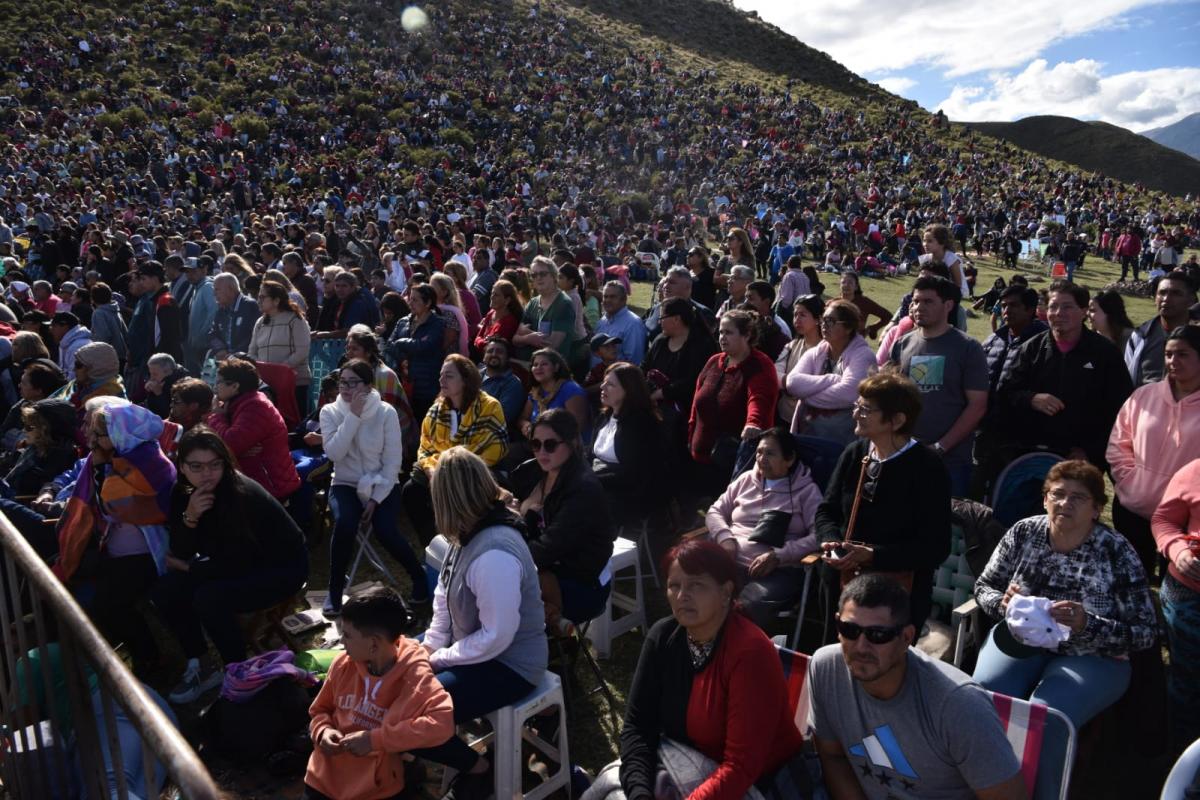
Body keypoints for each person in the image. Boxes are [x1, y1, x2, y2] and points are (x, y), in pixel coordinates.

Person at [972, 460, 1155, 799]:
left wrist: (1088, 624)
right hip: (1021, 641)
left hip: (1093, 654)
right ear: (1044, 500)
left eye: (1078, 498)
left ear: (1097, 509)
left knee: (1048, 715)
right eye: (1057, 494)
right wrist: (1004, 604)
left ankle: (1043, 793)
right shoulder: (1024, 532)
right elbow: (984, 587)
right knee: (984, 694)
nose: (1065, 503)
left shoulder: (1115, 551)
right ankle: (982, 786)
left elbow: (1144, 631)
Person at [586, 540, 805, 800]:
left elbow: (740, 768)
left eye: (696, 585)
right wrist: (640, 794)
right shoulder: (663, 637)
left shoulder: (749, 653)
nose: (681, 596)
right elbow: (638, 727)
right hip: (686, 760)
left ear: (726, 592)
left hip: (757, 783)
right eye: (674, 585)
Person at [810, 575, 1025, 800]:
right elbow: (832, 755)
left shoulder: (959, 705)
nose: (861, 647)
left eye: (878, 635)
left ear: (906, 637)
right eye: (850, 630)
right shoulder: (826, 668)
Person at [413, 447, 548, 799]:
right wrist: (428, 645)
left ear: (447, 499)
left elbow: (497, 637)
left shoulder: (494, 552)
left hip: (510, 664)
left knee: (414, 708)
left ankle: (477, 766)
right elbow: (443, 597)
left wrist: (438, 659)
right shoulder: (467, 532)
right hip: (476, 648)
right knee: (389, 675)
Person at [156, 427, 308, 702]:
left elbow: (239, 561)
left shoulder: (240, 494)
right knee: (167, 588)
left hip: (281, 567)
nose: (207, 473)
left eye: (215, 465)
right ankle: (200, 663)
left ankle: (239, 672)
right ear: (182, 466)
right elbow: (181, 549)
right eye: (197, 466)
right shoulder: (184, 492)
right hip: (235, 562)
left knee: (210, 597)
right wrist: (190, 517)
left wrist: (192, 569)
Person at [814, 373, 952, 635]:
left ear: (897, 420)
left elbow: (935, 547)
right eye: (857, 405)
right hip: (841, 588)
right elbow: (827, 511)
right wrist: (830, 541)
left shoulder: (927, 468)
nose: (856, 414)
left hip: (894, 598)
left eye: (866, 409)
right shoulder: (855, 453)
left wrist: (874, 555)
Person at [53, 400, 176, 670]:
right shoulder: (112, 457)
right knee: (63, 574)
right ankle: (82, 659)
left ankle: (150, 660)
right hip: (112, 548)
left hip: (144, 557)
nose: (91, 438)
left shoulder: (149, 464)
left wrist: (99, 469)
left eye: (98, 434)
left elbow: (114, 509)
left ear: (122, 434)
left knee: (108, 605)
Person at [304, 586, 454, 800]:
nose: (342, 642)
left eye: (347, 635)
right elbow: (320, 710)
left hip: (376, 787)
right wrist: (323, 731)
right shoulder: (342, 663)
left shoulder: (414, 676)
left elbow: (442, 724)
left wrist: (376, 740)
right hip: (323, 778)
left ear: (374, 643)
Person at [320, 359, 427, 616]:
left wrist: (375, 499)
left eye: (353, 382)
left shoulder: (386, 412)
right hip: (345, 482)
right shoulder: (330, 412)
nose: (345, 388)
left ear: (368, 386)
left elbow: (392, 463)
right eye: (342, 382)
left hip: (382, 482)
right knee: (345, 522)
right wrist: (353, 417)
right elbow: (334, 453)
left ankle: (419, 579)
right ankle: (335, 592)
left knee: (385, 529)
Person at [999, 280, 1132, 470]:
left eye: (1067, 307)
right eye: (1053, 306)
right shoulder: (1032, 349)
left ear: (1084, 310)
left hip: (1081, 459)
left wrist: (1091, 450)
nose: (1059, 313)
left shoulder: (1105, 353)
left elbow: (1121, 409)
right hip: (1030, 454)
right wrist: (1031, 398)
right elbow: (1005, 393)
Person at [704, 427, 823, 629]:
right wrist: (725, 538)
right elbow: (715, 511)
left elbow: (819, 534)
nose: (761, 458)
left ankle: (731, 646)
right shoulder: (745, 480)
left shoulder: (807, 491)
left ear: (790, 459)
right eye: (759, 452)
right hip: (730, 560)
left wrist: (779, 555)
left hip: (777, 570)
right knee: (701, 590)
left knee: (748, 605)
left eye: (770, 453)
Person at [512, 408, 615, 632]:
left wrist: (508, 559)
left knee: (502, 592)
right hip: (544, 570)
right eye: (535, 444)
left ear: (571, 443)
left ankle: (538, 657)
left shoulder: (582, 489)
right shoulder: (535, 472)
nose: (541, 452)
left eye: (550, 444)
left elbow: (550, 547)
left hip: (581, 584)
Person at [1107, 326, 1200, 572]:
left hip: (1185, 517)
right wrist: (1130, 481)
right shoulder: (1144, 395)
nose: (1173, 361)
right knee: (1133, 578)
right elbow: (1119, 443)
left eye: (1182, 354)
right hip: (1133, 508)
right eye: (1168, 354)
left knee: (1178, 583)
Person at [888, 276, 988, 498]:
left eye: (928, 301)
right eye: (915, 301)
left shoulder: (968, 348)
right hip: (903, 454)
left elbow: (977, 406)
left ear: (948, 305)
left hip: (950, 462)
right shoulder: (902, 343)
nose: (918, 307)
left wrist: (940, 447)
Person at [402, 355, 508, 547]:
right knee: (411, 491)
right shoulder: (436, 409)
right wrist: (432, 471)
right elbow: (425, 447)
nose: (441, 380)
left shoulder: (489, 406)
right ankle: (435, 544)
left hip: (475, 471)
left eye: (449, 376)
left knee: (468, 491)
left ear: (465, 379)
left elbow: (495, 446)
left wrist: (456, 470)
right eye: (441, 375)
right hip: (439, 470)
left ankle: (470, 542)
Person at [688, 309, 778, 486]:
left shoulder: (759, 365)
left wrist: (753, 422)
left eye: (728, 332)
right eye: (721, 332)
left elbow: (759, 398)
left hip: (731, 461)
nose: (722, 337)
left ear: (747, 335)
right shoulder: (714, 361)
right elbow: (696, 403)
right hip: (699, 454)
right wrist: (690, 437)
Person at [1153, 457, 1200, 753]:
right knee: (1188, 678)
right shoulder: (1196, 470)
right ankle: (1182, 756)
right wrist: (1176, 548)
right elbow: (1163, 519)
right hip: (1189, 594)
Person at [205, 357, 300, 500]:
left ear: (235, 386)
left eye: (219, 382)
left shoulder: (256, 407)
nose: (215, 387)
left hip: (270, 488)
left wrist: (217, 417)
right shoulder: (236, 403)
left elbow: (229, 445)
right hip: (251, 481)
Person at [786, 299, 875, 446]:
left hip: (843, 443)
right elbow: (792, 383)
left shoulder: (863, 355)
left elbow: (849, 393)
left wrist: (806, 394)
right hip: (807, 437)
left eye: (831, 321)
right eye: (823, 320)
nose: (824, 325)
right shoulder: (816, 352)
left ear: (848, 328)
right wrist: (831, 379)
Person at [591, 362, 663, 521]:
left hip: (626, 495)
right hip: (599, 484)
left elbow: (635, 475)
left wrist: (590, 480)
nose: (602, 387)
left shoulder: (641, 424)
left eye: (610, 384)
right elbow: (591, 454)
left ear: (628, 390)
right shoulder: (604, 417)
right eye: (604, 381)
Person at [641, 297, 717, 417]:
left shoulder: (701, 345)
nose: (659, 322)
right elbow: (645, 366)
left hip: (683, 412)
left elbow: (693, 381)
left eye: (661, 318)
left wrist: (662, 393)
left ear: (677, 319)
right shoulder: (660, 340)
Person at [248, 281, 312, 410]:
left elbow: (302, 351)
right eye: (258, 297)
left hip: (295, 382)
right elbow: (252, 352)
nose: (258, 300)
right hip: (267, 384)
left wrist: (280, 370)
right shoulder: (260, 323)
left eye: (262, 297)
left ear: (276, 300)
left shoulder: (295, 319)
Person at [1126, 270, 1197, 386]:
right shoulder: (1140, 336)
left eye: (1176, 293)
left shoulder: (1197, 334)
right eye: (1162, 293)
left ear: (1191, 300)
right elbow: (1127, 381)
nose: (1166, 299)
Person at [386, 283, 446, 421]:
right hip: (403, 379)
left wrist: (401, 342)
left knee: (422, 420)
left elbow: (424, 345)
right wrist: (402, 359)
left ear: (428, 302)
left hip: (426, 382)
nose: (410, 302)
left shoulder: (437, 323)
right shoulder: (403, 321)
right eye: (410, 298)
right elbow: (389, 345)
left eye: (415, 300)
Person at [517, 347, 590, 449]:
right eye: (535, 365)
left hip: (567, 448)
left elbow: (577, 428)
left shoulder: (571, 390)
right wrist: (526, 426)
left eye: (544, 364)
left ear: (556, 367)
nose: (538, 368)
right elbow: (522, 419)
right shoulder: (535, 392)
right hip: (537, 445)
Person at [2, 399, 76, 497]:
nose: (24, 431)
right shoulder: (34, 448)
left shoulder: (61, 456)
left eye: (29, 427)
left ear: (45, 429)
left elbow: (31, 489)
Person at [513, 256, 578, 362]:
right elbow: (515, 338)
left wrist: (526, 333)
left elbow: (552, 345)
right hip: (529, 364)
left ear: (554, 276)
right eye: (534, 275)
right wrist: (529, 338)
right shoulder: (532, 302)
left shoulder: (564, 304)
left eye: (543, 274)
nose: (538, 278)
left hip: (552, 368)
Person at [775, 294, 825, 426]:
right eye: (795, 314)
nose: (797, 319)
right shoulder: (791, 346)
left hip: (810, 421)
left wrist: (789, 384)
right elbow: (775, 373)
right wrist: (792, 384)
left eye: (802, 315)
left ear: (818, 319)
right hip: (784, 415)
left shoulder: (826, 350)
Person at [479, 337, 526, 433]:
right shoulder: (473, 375)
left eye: (499, 352)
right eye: (490, 351)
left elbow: (501, 418)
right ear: (484, 357)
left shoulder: (512, 384)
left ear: (507, 358)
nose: (494, 354)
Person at [594, 281, 647, 366]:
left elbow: (634, 362)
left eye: (612, 297)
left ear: (623, 300)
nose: (607, 300)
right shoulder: (602, 321)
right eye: (605, 296)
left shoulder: (633, 324)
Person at [206, 273, 257, 361]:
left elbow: (253, 336)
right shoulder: (222, 309)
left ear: (231, 289)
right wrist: (220, 349)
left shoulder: (250, 306)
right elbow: (212, 333)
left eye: (217, 289)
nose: (214, 294)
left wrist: (234, 354)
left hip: (244, 361)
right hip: (226, 361)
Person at [473, 279, 522, 353]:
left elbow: (490, 348)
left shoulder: (508, 322)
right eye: (492, 293)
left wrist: (481, 342)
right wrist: (482, 342)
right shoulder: (491, 313)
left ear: (507, 300)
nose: (492, 297)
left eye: (496, 295)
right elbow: (477, 339)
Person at [838, 272, 889, 339]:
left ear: (856, 286)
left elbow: (887, 316)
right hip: (836, 344)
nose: (846, 285)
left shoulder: (864, 302)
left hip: (856, 344)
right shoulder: (833, 303)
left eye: (850, 283)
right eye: (843, 282)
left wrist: (872, 328)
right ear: (839, 285)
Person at [88, 282, 128, 367]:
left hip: (108, 358)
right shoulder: (114, 310)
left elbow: (102, 337)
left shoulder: (99, 313)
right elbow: (125, 332)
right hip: (121, 354)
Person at [142, 352, 189, 420]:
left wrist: (159, 394)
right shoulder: (160, 380)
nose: (151, 378)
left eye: (155, 374)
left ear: (168, 371)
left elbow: (171, 414)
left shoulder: (183, 386)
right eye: (150, 374)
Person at [1089, 289, 1135, 355]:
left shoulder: (1132, 340)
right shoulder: (1088, 339)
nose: (1087, 314)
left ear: (1109, 313)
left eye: (1092, 310)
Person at [50, 311, 91, 381]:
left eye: (54, 326)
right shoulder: (65, 342)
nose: (51, 329)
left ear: (64, 326)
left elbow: (74, 378)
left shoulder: (78, 346)